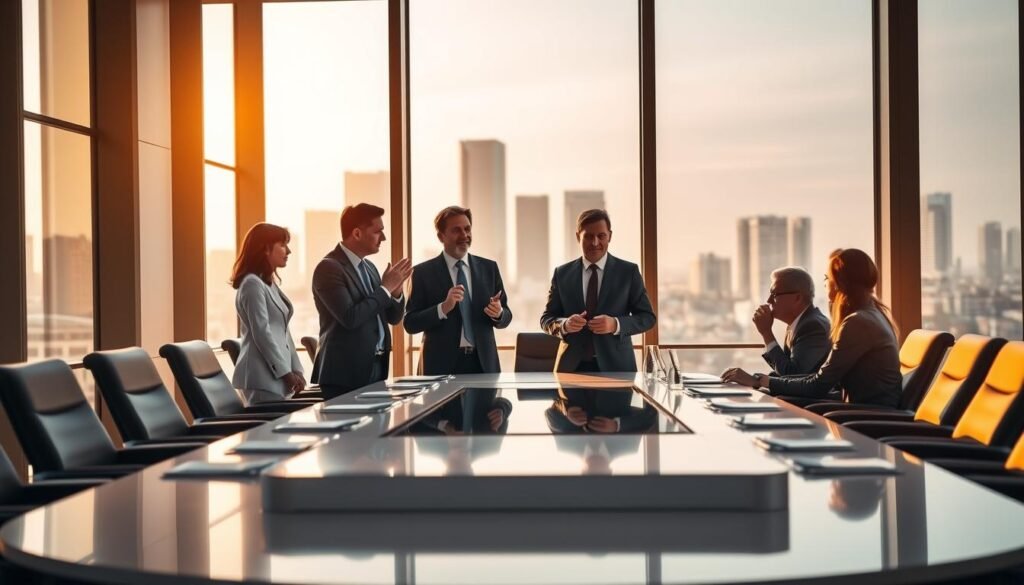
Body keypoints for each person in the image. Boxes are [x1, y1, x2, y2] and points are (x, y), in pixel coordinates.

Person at [721, 248, 902, 408]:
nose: (824, 283)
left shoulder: (857, 323)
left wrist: (761, 381)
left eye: (827, 278)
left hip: (867, 417)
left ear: (839, 283)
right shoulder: (869, 315)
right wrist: (761, 380)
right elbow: (814, 378)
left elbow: (817, 384)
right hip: (859, 410)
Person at [311, 203, 412, 399]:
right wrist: (385, 289)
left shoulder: (371, 268)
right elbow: (350, 317)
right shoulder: (328, 268)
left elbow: (393, 317)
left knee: (376, 428)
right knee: (350, 430)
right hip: (344, 374)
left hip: (376, 366)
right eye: (378, 231)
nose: (383, 237)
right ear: (357, 233)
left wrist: (396, 293)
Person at [540, 209, 656, 373]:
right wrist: (565, 324)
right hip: (571, 368)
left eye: (601, 236)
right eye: (588, 236)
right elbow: (546, 319)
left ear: (610, 236)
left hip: (617, 368)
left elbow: (647, 318)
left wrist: (615, 324)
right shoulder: (562, 274)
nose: (595, 242)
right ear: (577, 236)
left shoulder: (628, 272)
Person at [403, 206, 512, 375]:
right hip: (439, 367)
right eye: (456, 230)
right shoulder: (422, 273)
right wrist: (443, 308)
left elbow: (506, 317)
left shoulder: (489, 268)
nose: (464, 235)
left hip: (483, 365)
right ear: (441, 236)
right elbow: (410, 323)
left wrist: (499, 313)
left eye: (467, 229)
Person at [230, 223, 305, 404]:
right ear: (265, 249)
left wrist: (297, 370)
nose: (288, 251)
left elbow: (283, 332)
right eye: (282, 245)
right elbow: (262, 333)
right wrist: (286, 373)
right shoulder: (252, 284)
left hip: (278, 377)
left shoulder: (268, 284)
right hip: (262, 378)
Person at [753, 266, 831, 376]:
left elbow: (792, 375)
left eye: (774, 294)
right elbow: (784, 369)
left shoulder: (813, 326)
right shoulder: (797, 323)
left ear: (797, 298)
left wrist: (766, 333)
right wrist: (756, 380)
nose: (769, 300)